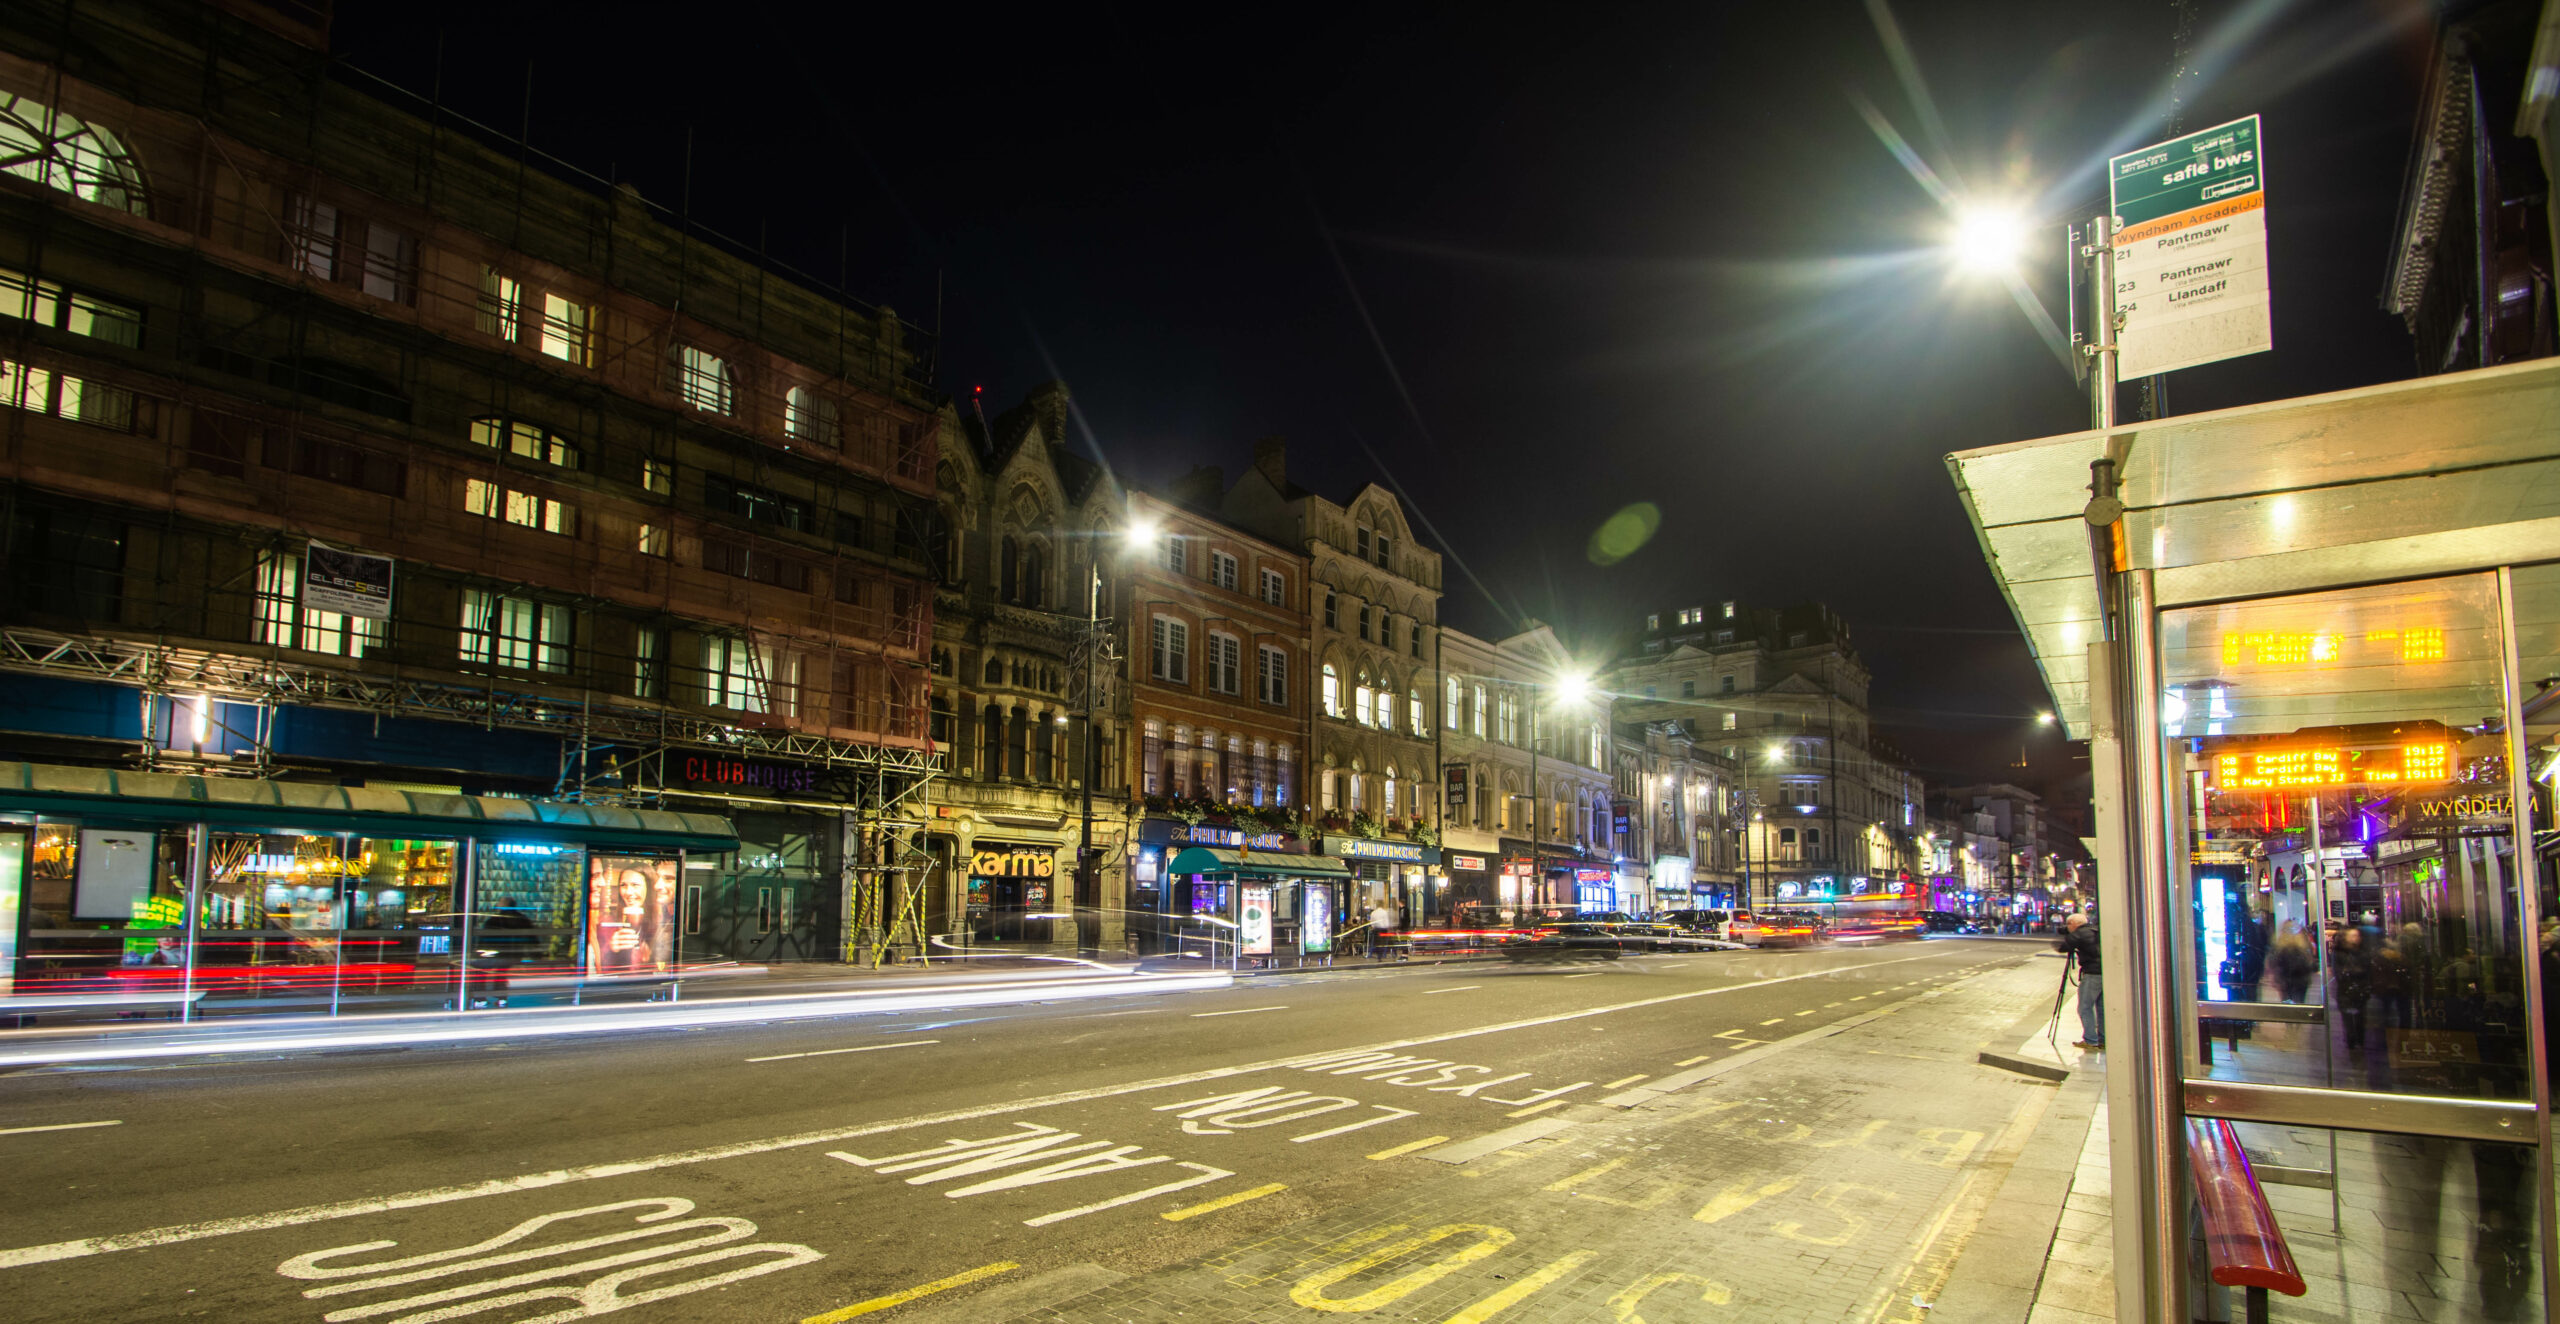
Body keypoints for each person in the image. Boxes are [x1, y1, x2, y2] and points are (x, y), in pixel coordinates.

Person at [2054, 910, 2103, 1049]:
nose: (2067, 927)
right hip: (2104, 972)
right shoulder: (2096, 930)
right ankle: (2103, 1039)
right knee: (2101, 1007)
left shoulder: (2079, 934)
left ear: (2074, 924)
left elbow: (2062, 947)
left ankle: (2090, 1040)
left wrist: (2067, 937)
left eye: (2068, 924)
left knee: (2085, 1007)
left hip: (2092, 972)